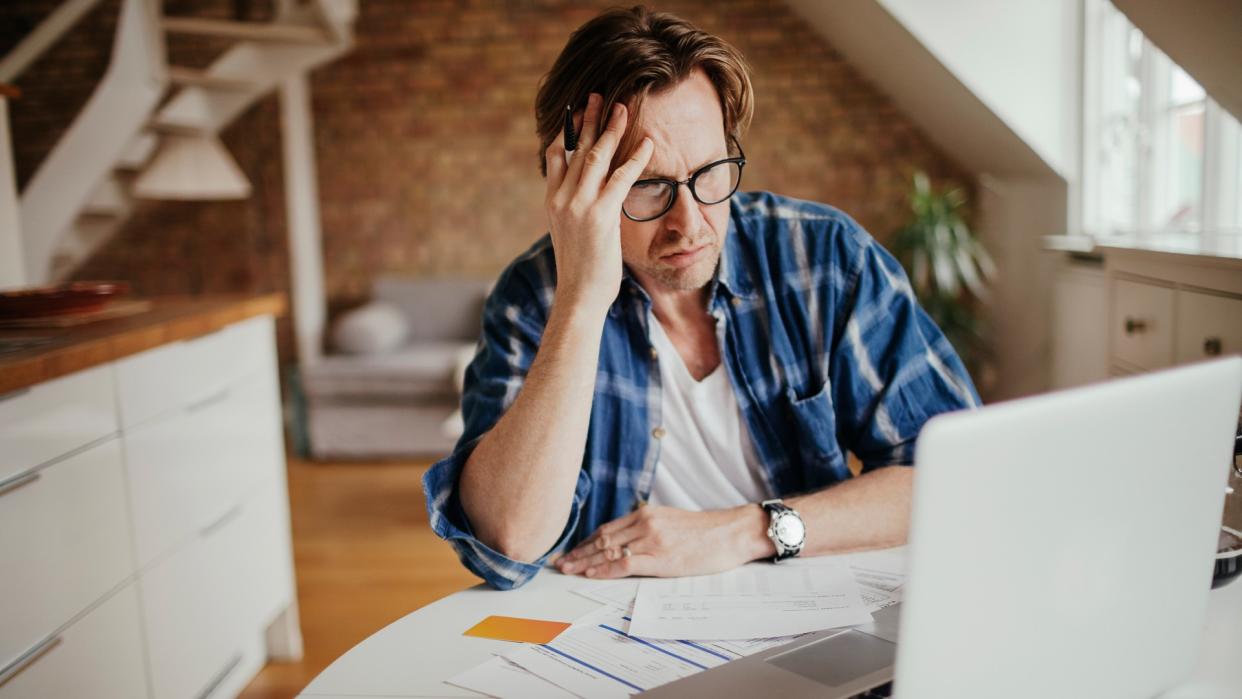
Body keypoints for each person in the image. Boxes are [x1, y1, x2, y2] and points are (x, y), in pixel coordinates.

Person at [423, 6, 978, 590]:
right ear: (576, 185)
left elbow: (955, 477)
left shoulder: (824, 260)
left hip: (811, 606)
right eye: (648, 186)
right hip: (614, 634)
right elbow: (506, 544)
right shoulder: (534, 299)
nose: (690, 224)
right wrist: (581, 305)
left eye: (711, 171)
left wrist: (744, 530)